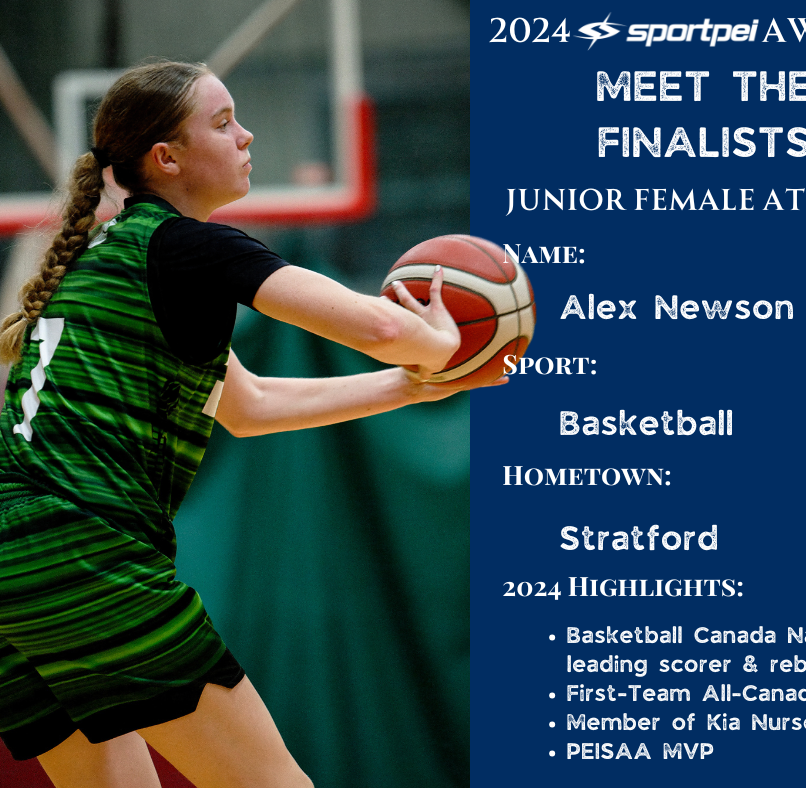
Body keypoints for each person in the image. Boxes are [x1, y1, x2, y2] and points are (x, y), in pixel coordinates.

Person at [0, 60, 481, 788]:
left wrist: (409, 391)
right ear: (167, 158)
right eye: (224, 123)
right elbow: (385, 327)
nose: (247, 135)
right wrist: (444, 345)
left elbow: (247, 407)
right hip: (79, 549)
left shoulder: (105, 262)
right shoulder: (188, 247)